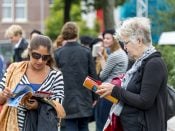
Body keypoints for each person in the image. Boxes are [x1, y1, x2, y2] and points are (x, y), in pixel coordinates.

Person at [96, 17, 168, 131]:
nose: (125, 47)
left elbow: (145, 101)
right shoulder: (138, 62)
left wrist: (115, 90)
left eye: (126, 43)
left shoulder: (154, 63)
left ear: (139, 41)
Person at [0, 35, 64, 131]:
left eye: (45, 57)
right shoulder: (14, 69)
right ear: (29, 52)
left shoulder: (56, 75)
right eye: (36, 56)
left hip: (44, 126)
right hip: (14, 127)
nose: (40, 61)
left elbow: (58, 108)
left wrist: (38, 106)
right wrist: (5, 95)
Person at [54, 21, 97, 131]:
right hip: (85, 98)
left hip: (66, 99)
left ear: (63, 34)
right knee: (84, 126)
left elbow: (55, 78)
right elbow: (92, 76)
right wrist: (95, 97)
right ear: (77, 34)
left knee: (69, 126)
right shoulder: (86, 52)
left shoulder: (58, 53)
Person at [95, 29, 128, 131]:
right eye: (104, 38)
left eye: (108, 38)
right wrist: (101, 57)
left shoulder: (114, 56)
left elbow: (102, 76)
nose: (104, 40)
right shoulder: (120, 53)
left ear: (114, 40)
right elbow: (107, 71)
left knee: (101, 124)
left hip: (107, 93)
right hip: (114, 92)